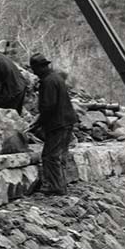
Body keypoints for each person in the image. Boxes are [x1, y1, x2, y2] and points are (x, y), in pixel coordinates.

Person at [29, 53, 76, 195]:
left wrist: (38, 122)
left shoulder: (48, 82)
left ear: (40, 67)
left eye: (34, 69)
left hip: (58, 123)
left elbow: (48, 106)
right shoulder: (56, 78)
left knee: (50, 156)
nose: (34, 72)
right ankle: (61, 185)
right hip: (66, 121)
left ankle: (55, 187)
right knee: (60, 155)